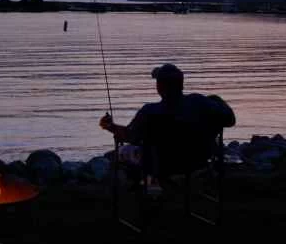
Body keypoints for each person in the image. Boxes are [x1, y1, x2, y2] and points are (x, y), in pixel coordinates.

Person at [99, 63, 235, 182]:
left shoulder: (149, 112)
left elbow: (130, 136)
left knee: (121, 152)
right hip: (197, 162)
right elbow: (230, 119)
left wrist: (110, 126)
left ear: (159, 87)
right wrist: (216, 99)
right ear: (181, 84)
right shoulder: (200, 102)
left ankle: (149, 190)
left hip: (161, 166)